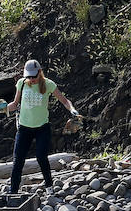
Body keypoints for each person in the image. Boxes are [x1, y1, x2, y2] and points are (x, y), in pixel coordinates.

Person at [5, 59, 79, 194]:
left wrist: (72, 109)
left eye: (34, 76)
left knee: (41, 157)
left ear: (39, 72)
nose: (31, 79)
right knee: (18, 160)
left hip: (42, 128)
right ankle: (13, 192)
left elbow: (64, 100)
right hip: (24, 128)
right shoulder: (21, 84)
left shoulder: (48, 84)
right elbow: (14, 104)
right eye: (29, 76)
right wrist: (4, 108)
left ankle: (49, 187)